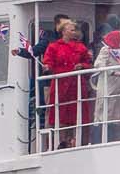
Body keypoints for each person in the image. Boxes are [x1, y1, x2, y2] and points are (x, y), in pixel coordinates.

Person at [37, 17, 93, 149]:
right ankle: (58, 144)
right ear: (63, 31)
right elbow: (48, 62)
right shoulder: (54, 47)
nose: (74, 32)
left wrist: (82, 66)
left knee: (78, 117)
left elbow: (89, 64)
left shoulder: (81, 47)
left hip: (76, 87)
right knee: (59, 118)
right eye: (71, 29)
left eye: (75, 30)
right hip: (61, 87)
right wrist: (47, 67)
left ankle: (78, 143)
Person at [94, 28, 120, 141]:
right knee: (106, 113)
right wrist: (112, 72)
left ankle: (118, 139)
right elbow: (98, 64)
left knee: (119, 115)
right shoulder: (106, 50)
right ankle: (104, 139)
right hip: (108, 87)